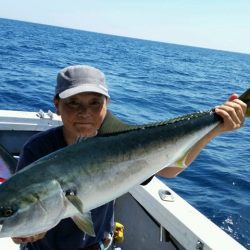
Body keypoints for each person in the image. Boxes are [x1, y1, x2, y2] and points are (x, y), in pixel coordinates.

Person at [12, 65, 247, 250]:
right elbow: (19, 219)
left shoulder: (126, 143)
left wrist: (215, 128)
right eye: (73, 103)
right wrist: (22, 234)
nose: (84, 112)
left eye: (95, 103)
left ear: (107, 105)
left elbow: (169, 169)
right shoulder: (37, 149)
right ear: (56, 104)